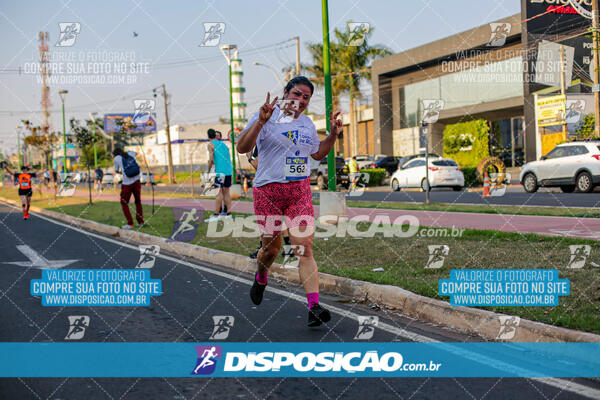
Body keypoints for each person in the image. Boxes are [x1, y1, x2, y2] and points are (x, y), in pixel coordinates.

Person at [236, 76, 343, 327]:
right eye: (297, 94)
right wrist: (260, 123)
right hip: (267, 192)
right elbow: (242, 147)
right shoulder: (266, 116)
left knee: (303, 247)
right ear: (285, 92)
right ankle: (261, 275)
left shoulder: (307, 124)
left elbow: (318, 153)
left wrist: (333, 135)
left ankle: (314, 307)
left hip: (299, 192)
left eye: (306, 97)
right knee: (271, 250)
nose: (301, 100)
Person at [246, 147, 293, 260]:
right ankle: (289, 247)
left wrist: (249, 158)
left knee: (265, 220)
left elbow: (258, 166)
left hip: (267, 186)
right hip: (285, 183)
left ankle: (264, 248)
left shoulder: (262, 142)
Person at [113, 147, 144, 229]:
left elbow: (116, 170)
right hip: (137, 181)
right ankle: (140, 221)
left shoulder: (116, 158)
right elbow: (137, 153)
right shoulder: (130, 154)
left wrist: (122, 171)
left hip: (127, 183)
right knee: (138, 201)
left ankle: (130, 223)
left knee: (124, 202)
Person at [206, 128, 232, 222]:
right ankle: (228, 213)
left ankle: (216, 214)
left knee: (218, 193)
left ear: (208, 136)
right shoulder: (224, 144)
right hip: (228, 171)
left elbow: (211, 160)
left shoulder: (210, 144)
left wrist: (208, 171)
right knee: (226, 192)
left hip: (220, 172)